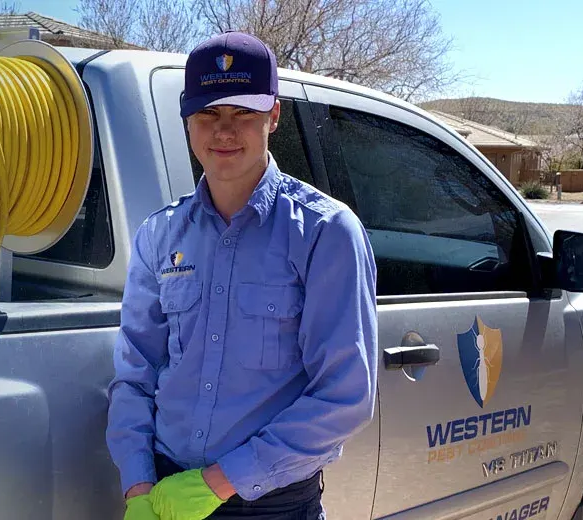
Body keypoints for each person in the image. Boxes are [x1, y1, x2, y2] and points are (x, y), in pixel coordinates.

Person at [106, 31, 379, 520]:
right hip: (163, 496)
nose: (223, 132)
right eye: (208, 114)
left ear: (273, 115)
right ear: (187, 120)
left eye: (243, 114)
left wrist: (219, 482)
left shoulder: (325, 233)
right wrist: (138, 487)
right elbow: (134, 375)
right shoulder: (161, 235)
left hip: (270, 505)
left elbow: (344, 396)